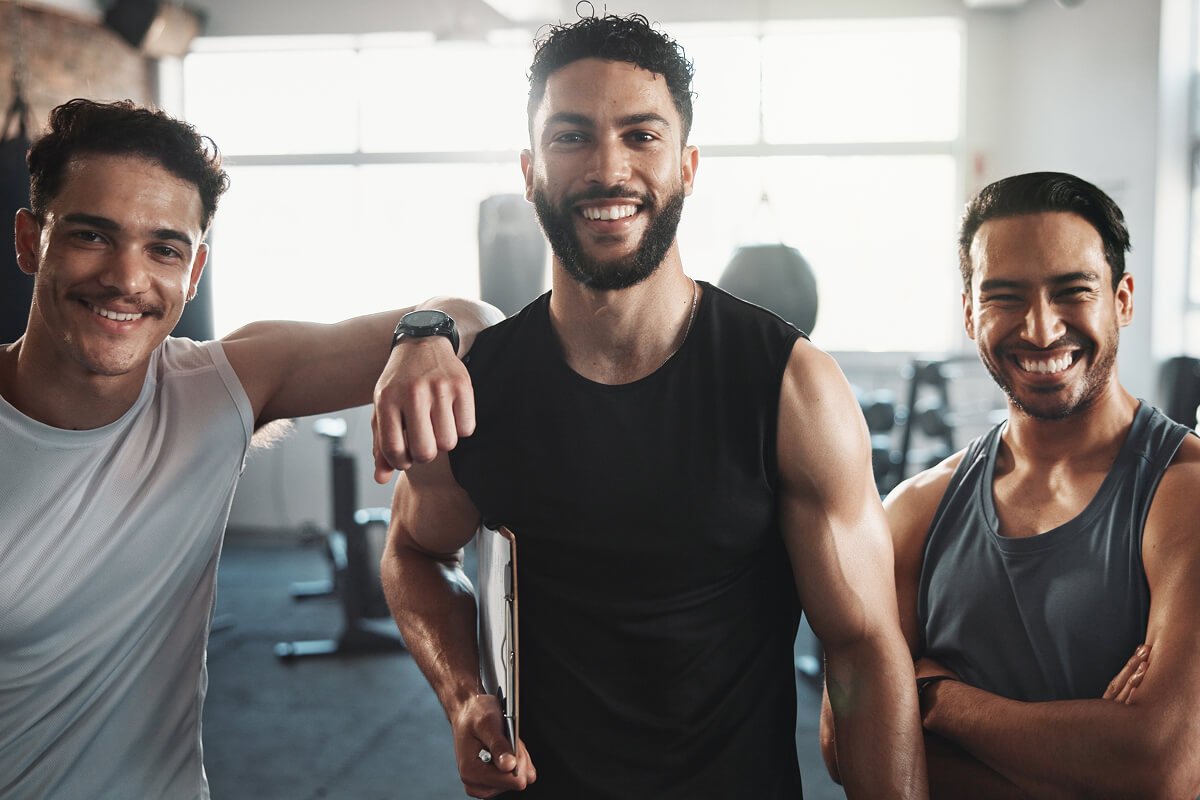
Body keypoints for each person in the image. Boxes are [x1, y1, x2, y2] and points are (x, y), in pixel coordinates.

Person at [378, 13, 927, 800]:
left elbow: (866, 651)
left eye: (641, 135)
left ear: (688, 165)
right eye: (572, 138)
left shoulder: (790, 387)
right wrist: (463, 693)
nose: (608, 169)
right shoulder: (481, 387)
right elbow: (412, 552)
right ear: (529, 169)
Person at [0, 98, 499, 798]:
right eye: (90, 235)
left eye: (163, 249)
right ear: (29, 242)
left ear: (194, 271)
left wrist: (423, 336)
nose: (126, 277)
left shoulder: (214, 390)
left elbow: (482, 319)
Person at [820, 172, 1200, 798]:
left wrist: (937, 701)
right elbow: (848, 745)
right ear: (970, 311)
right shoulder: (918, 510)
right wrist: (1090, 765)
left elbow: (1162, 766)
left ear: (1122, 299)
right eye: (1004, 297)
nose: (1042, 329)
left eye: (1072, 291)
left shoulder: (1183, 495)